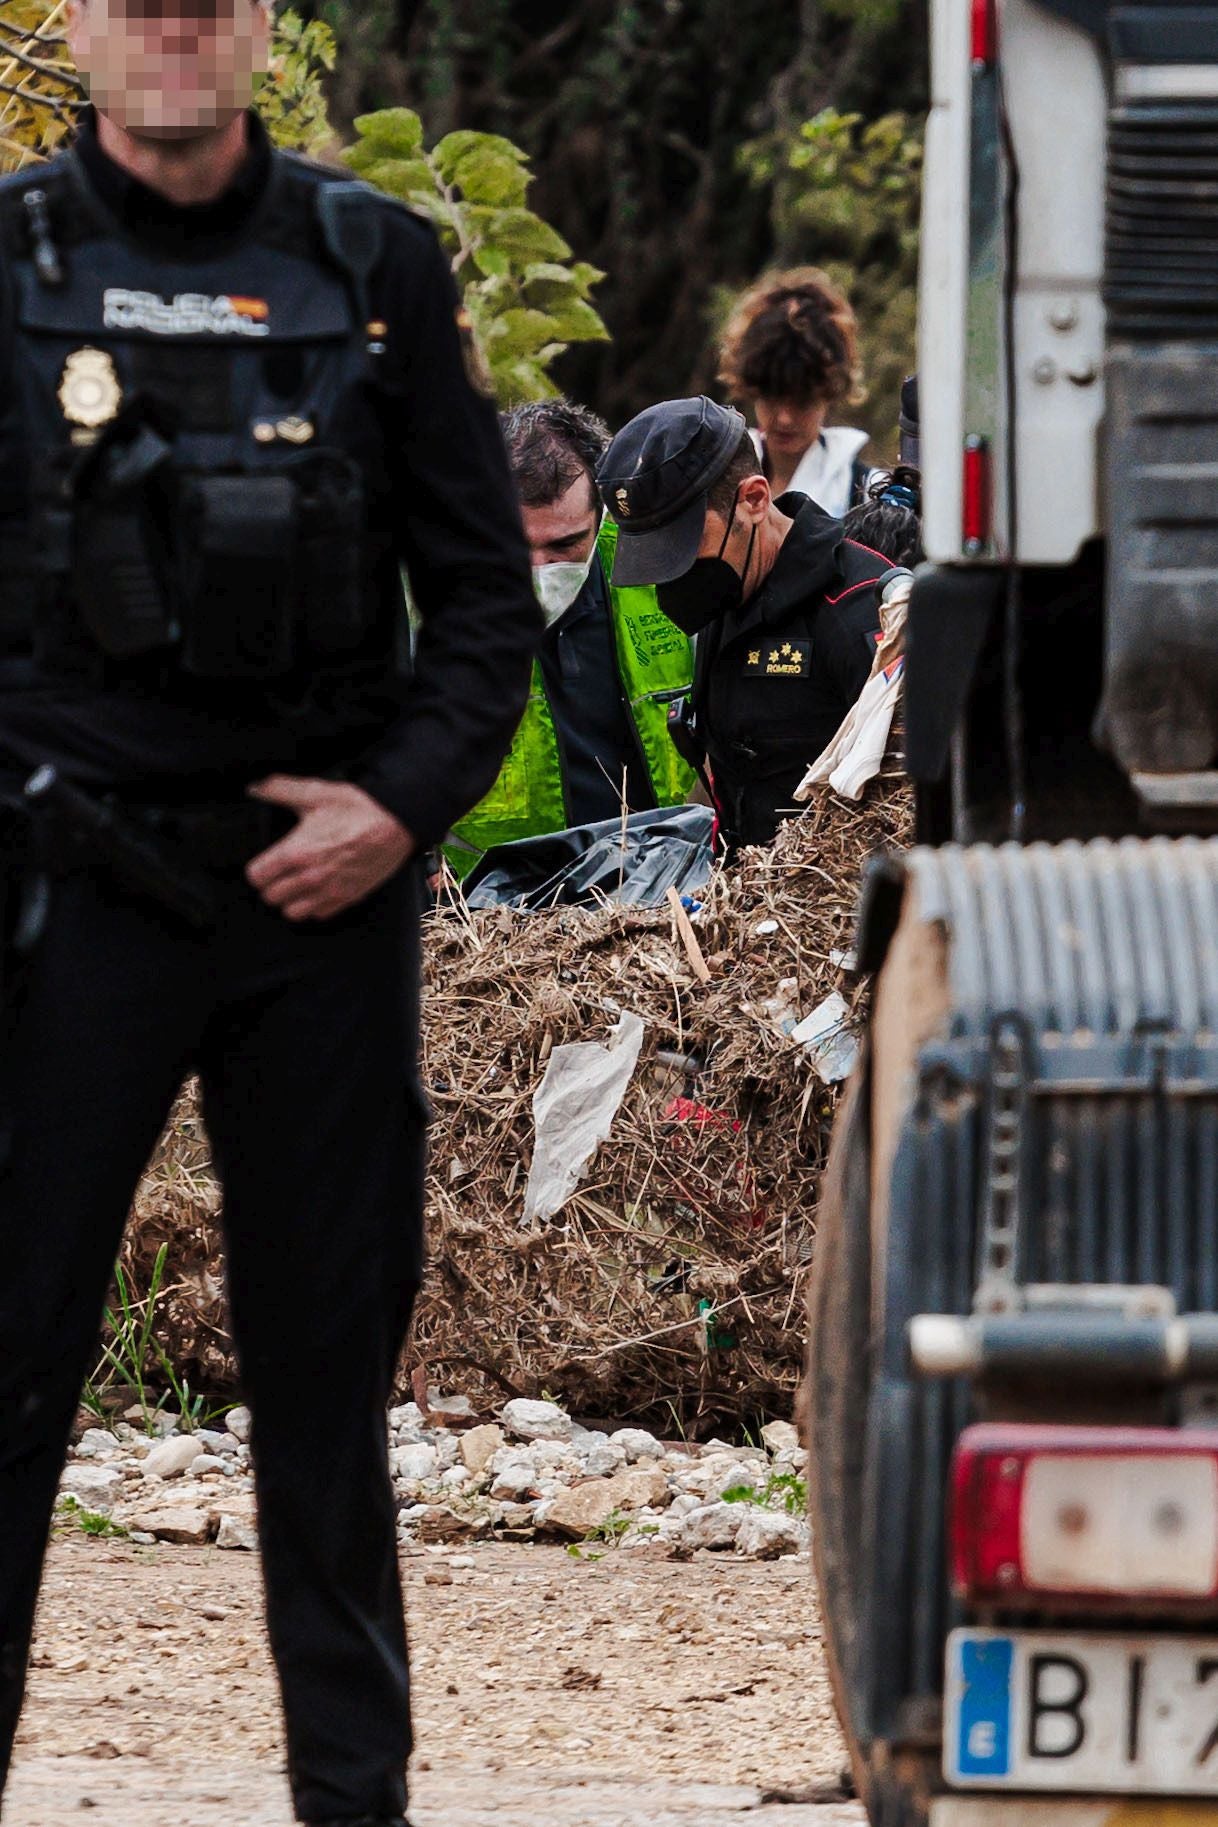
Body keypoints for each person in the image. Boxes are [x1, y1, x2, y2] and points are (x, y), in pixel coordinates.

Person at [0, 5, 539, 1826]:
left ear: (250, 31)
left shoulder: (368, 260)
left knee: (323, 1404)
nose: (170, 29)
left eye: (209, 0)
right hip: (61, 902)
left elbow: (482, 603)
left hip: (319, 903)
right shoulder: (15, 259)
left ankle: (354, 1807)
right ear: (78, 23)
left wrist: (400, 806)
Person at [597, 397, 893, 851]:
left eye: (682, 547)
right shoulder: (728, 594)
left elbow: (903, 807)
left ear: (754, 500)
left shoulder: (855, 609)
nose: (671, 576)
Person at [445, 399, 696, 876]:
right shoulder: (431, 596)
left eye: (564, 544)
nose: (539, 570)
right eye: (515, 544)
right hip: (485, 902)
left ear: (601, 514)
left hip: (653, 882)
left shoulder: (659, 572)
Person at [718, 267, 871, 516]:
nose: (785, 419)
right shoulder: (722, 482)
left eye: (802, 402)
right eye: (772, 398)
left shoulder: (863, 493)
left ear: (828, 393)